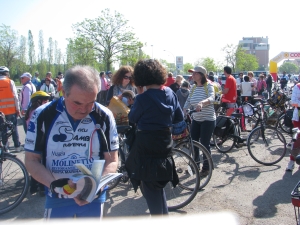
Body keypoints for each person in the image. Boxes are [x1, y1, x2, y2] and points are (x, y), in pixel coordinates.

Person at [24, 65, 119, 219]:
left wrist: (93, 188)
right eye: (77, 103)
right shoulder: (42, 115)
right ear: (63, 93)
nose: (84, 109)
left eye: (91, 102)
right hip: (57, 197)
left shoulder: (104, 116)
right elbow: (31, 160)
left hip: (93, 198)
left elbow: (112, 159)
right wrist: (58, 187)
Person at [125, 59, 182, 216]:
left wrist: (139, 93)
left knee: (150, 189)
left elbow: (133, 119)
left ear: (140, 78)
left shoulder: (142, 98)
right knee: (158, 187)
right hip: (165, 145)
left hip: (146, 147)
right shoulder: (171, 93)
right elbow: (178, 117)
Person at [184, 66, 215, 177]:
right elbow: (188, 101)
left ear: (202, 75)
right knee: (194, 143)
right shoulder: (193, 87)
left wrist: (202, 103)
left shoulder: (208, 86)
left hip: (208, 120)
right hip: (196, 119)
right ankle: (195, 165)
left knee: (205, 144)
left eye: (195, 73)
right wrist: (184, 110)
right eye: (192, 73)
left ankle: (206, 168)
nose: (193, 75)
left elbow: (212, 98)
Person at [24, 91, 51, 195]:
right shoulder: (37, 112)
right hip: (40, 142)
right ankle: (41, 187)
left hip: (33, 141)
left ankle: (33, 187)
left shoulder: (30, 111)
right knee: (41, 163)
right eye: (45, 100)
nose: (47, 102)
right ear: (38, 101)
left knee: (36, 163)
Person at [0, 66, 23, 152]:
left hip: (1, 113)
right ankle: (17, 146)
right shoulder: (10, 82)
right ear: (6, 73)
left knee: (3, 130)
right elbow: (15, 97)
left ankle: (6, 149)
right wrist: (18, 109)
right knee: (14, 129)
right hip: (11, 111)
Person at [286, 83, 300, 171]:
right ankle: (292, 161)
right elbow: (293, 102)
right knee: (297, 140)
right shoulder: (298, 86)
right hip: (298, 118)